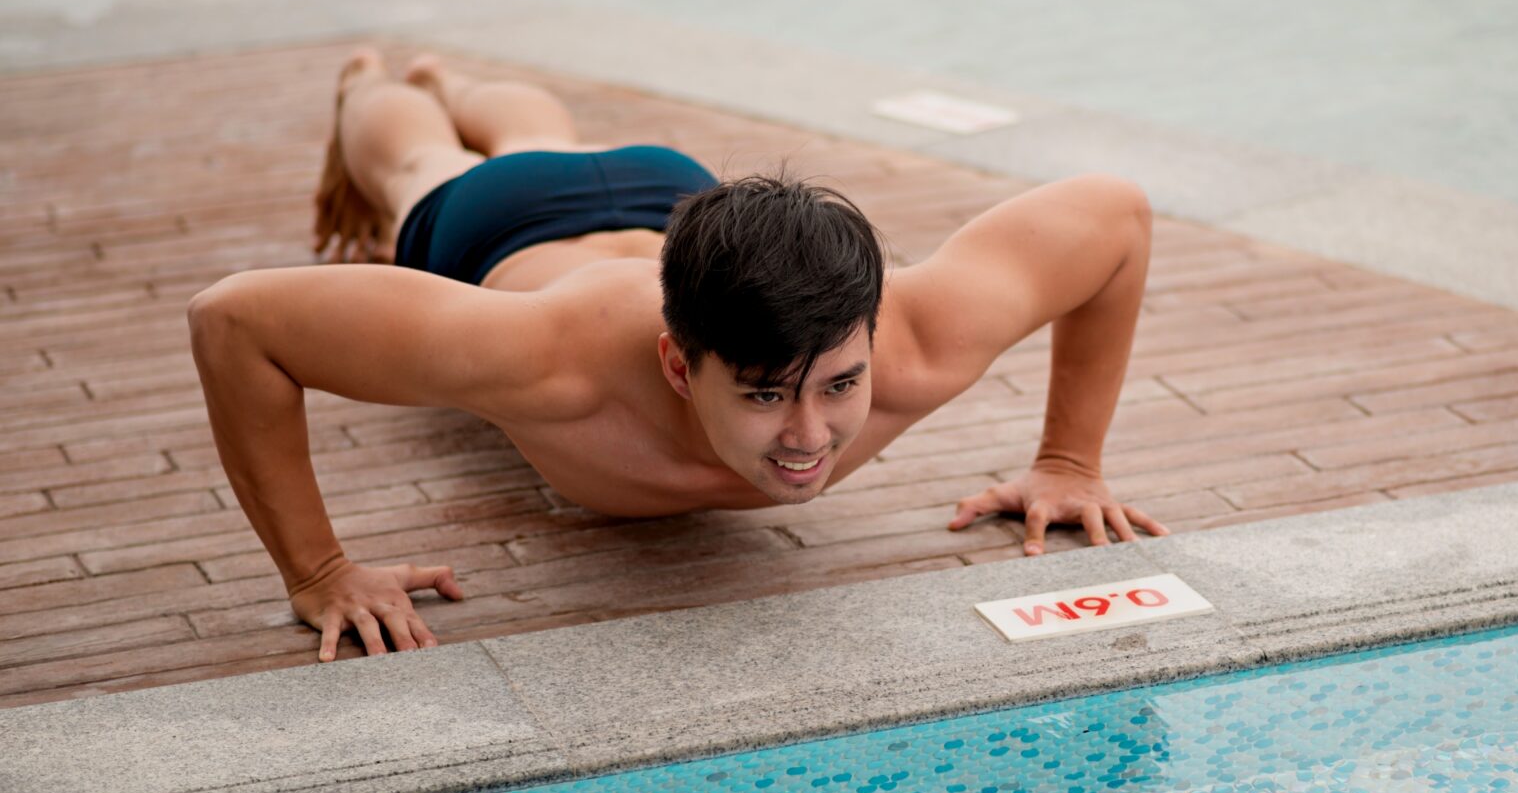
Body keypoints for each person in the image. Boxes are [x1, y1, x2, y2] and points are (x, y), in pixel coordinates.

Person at [188, 49, 1168, 664]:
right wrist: (317, 569)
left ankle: (454, 80)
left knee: (537, 131)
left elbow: (1114, 213)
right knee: (422, 171)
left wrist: (1070, 462)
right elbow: (236, 321)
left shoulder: (917, 338)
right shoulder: (540, 359)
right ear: (674, 365)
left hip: (683, 207)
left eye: (839, 385)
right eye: (762, 396)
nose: (808, 435)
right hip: (505, 233)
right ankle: (372, 80)